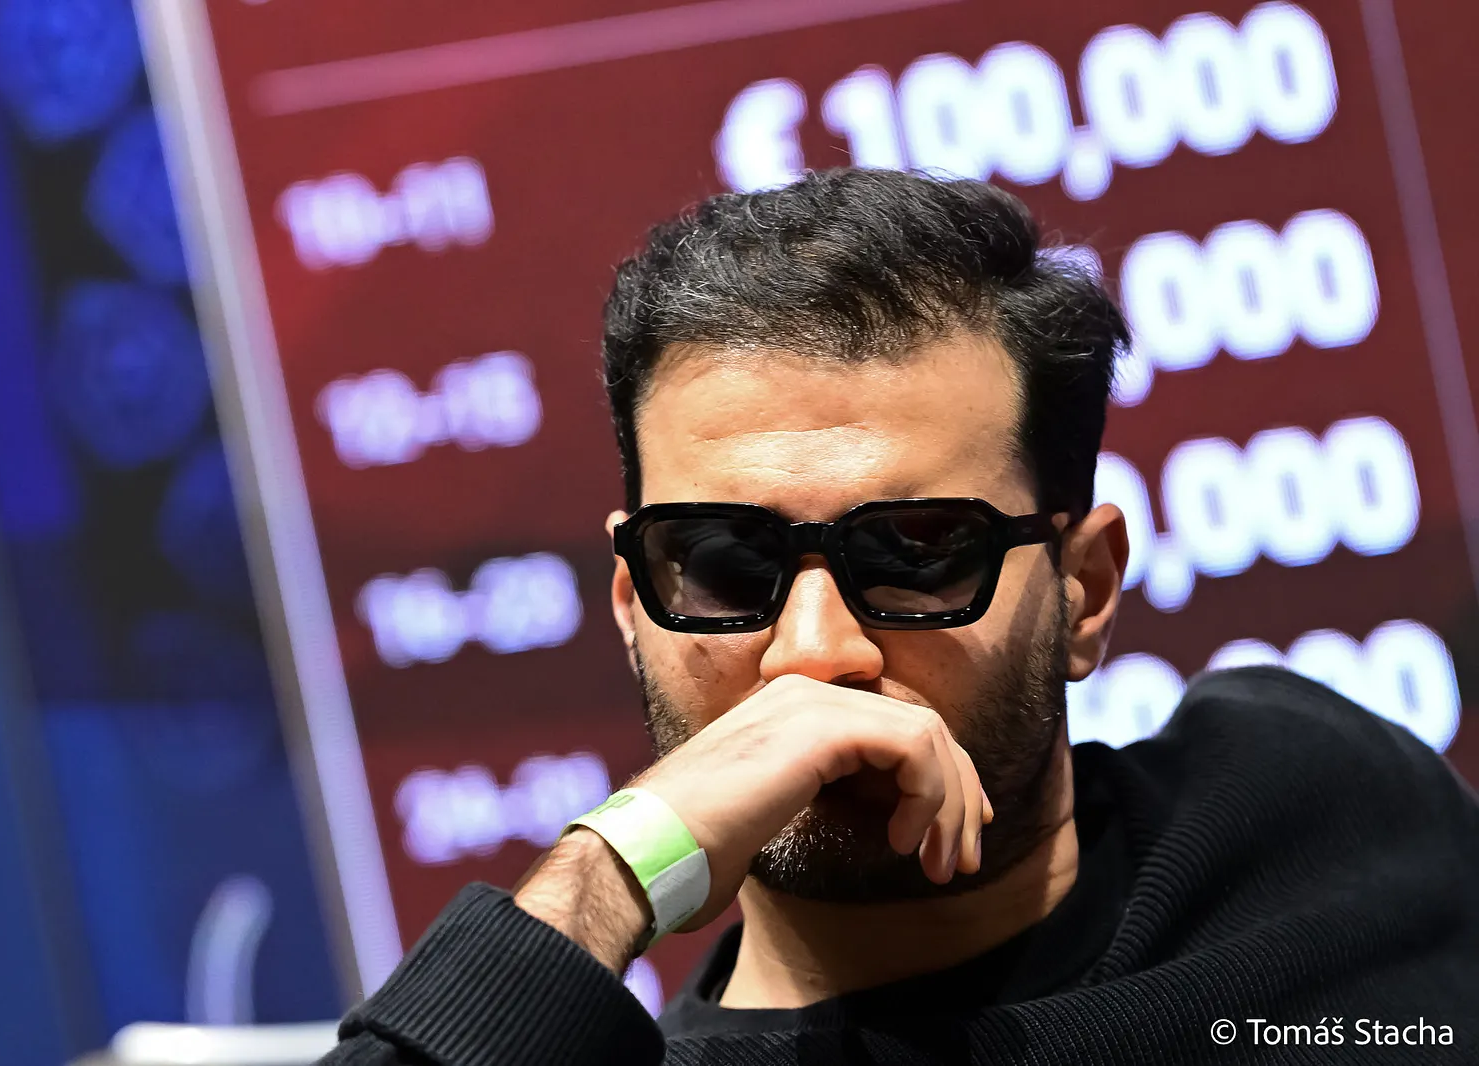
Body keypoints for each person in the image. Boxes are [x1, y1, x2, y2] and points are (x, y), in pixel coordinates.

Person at [319, 169, 1479, 1065]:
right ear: (634, 608)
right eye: (721, 564)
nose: (815, 651)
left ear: (1084, 588)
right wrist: (615, 872)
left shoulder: (1311, 802)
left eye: (918, 553)